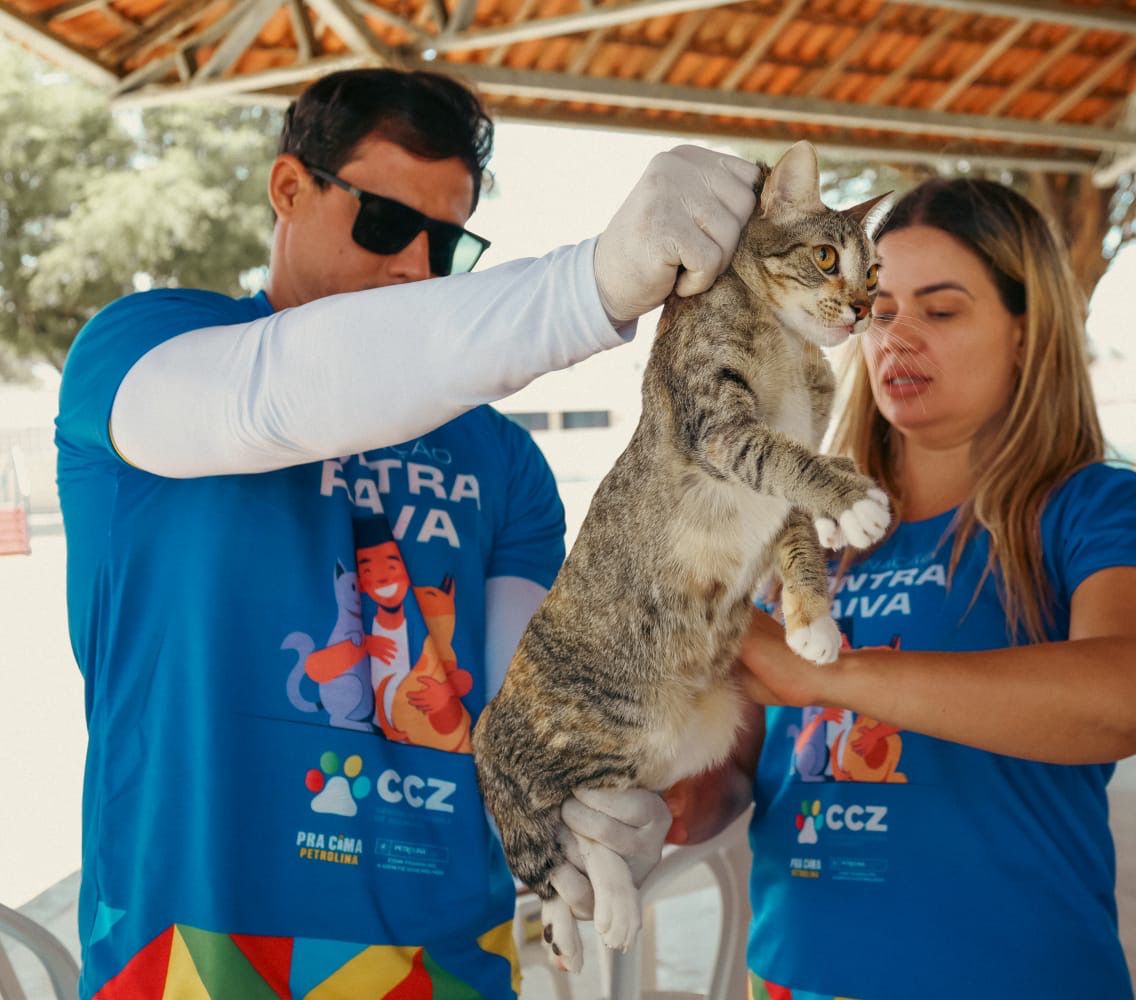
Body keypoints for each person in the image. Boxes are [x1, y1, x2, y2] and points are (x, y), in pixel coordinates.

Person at [55, 68, 761, 999]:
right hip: (189, 959)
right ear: (289, 189)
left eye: (448, 244)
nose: (413, 269)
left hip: (444, 965)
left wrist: (588, 798)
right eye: (387, 224)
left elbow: (530, 705)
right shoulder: (143, 349)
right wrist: (584, 287)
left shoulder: (503, 461)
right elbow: (277, 393)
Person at [665, 178, 1136, 999]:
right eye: (879, 309)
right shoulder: (804, 524)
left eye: (941, 311)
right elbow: (737, 765)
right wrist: (648, 791)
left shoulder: (1095, 507)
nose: (896, 337)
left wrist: (823, 674)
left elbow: (1132, 697)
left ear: (1027, 332)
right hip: (797, 977)